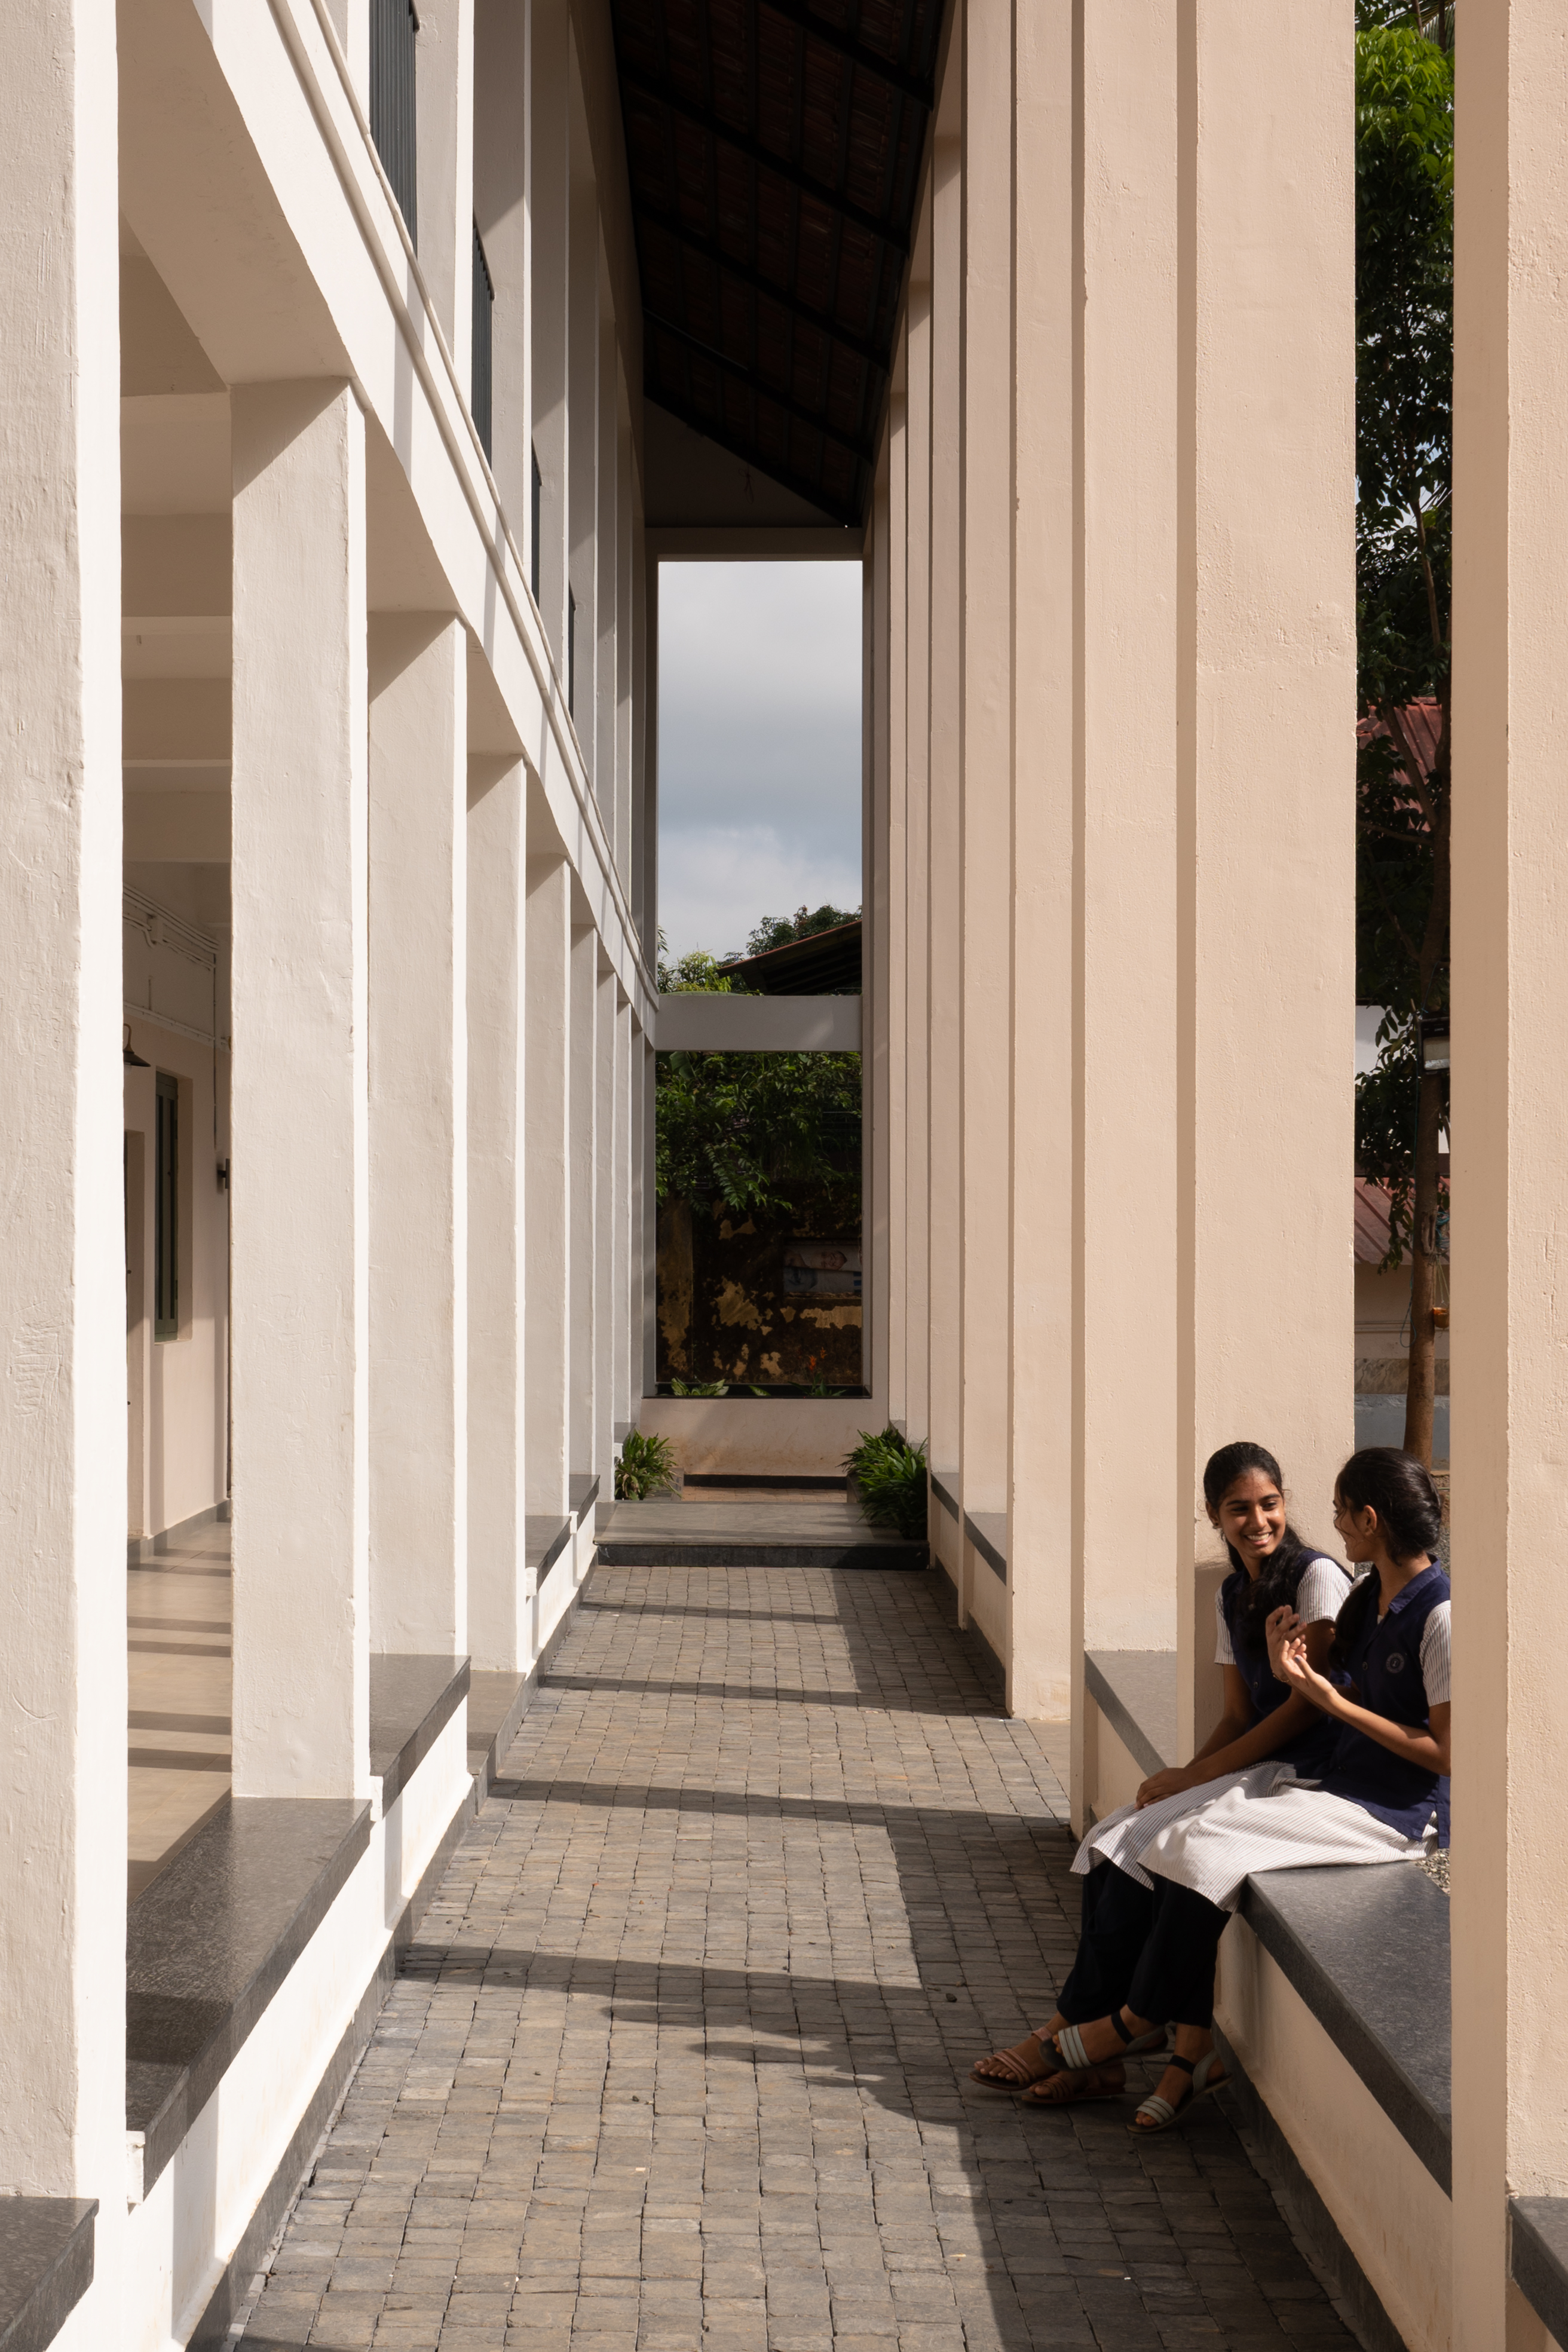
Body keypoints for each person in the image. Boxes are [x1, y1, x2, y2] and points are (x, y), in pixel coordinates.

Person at [1019, 1447, 1448, 2136]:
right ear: (1214, 1515)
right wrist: (1293, 1671)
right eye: (1238, 1508)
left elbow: (1443, 1753)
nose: (1332, 1524)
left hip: (1392, 1812)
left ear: (1369, 1519)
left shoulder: (1432, 1613)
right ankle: (1171, 2040)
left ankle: (1134, 2022)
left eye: (1340, 1512)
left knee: (1195, 1847)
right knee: (1155, 1841)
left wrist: (1323, 1700)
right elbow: (1296, 1691)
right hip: (1345, 1786)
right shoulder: (1368, 1600)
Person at [970, 1440, 1349, 2103]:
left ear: (1285, 1502)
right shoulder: (1232, 1593)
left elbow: (1304, 1708)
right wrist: (1184, 1775)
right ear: (1212, 1513)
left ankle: (1073, 2033)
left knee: (1154, 1845)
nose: (1258, 1521)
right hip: (1258, 1762)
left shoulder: (1315, 1578)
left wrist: (1194, 1782)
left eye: (1269, 1504)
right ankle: (1096, 2051)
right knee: (1114, 1845)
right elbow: (1237, 1715)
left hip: (1308, 1769)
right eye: (1239, 1509)